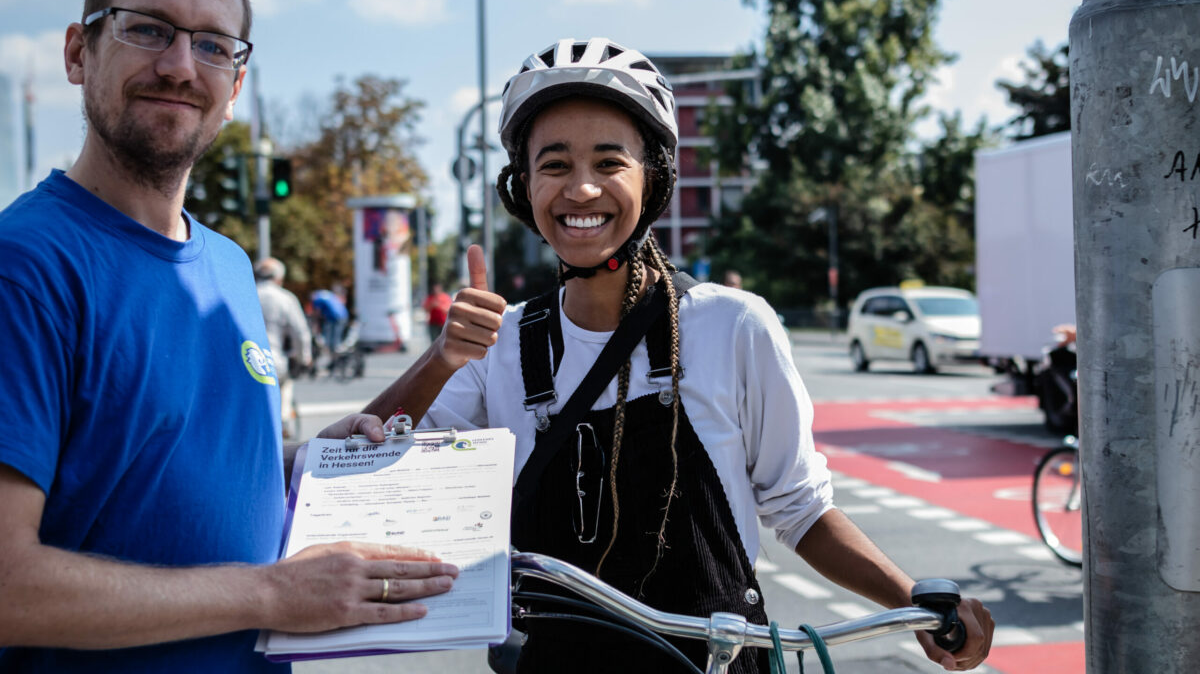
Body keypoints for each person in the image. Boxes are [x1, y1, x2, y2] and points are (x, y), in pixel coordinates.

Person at [364, 38, 993, 673]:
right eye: (553, 165)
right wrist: (442, 357)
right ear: (523, 186)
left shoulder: (731, 325)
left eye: (610, 162)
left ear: (654, 177)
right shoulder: (497, 346)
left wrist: (914, 600)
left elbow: (800, 508)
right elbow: (357, 468)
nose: (581, 189)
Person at [0, 0, 456, 673]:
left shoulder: (231, 265)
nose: (181, 66)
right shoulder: (25, 265)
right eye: (148, 29)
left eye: (214, 45)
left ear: (235, 85)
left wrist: (300, 463)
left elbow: (147, 476)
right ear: (79, 53)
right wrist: (269, 595)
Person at [255, 257, 313, 437]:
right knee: (286, 384)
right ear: (279, 278)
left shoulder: (247, 293)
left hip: (247, 360)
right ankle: (283, 419)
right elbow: (300, 333)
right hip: (274, 360)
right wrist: (304, 358)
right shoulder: (285, 298)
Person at [311, 284, 349, 366]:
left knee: (329, 339)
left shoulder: (316, 298)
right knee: (336, 337)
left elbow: (317, 312)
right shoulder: (327, 294)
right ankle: (336, 353)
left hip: (334, 318)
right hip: (343, 315)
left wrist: (315, 322)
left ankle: (332, 355)